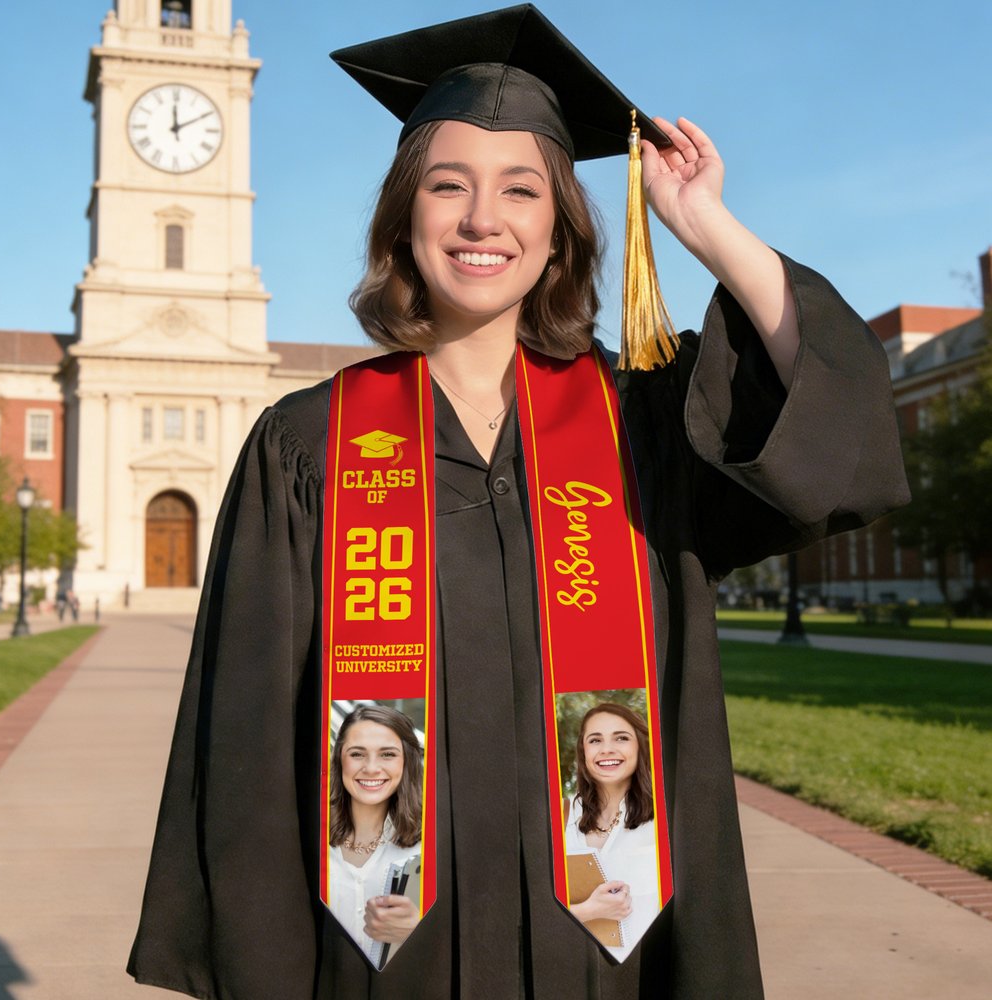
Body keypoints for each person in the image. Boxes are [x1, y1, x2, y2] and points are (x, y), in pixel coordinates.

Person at [127, 6, 909, 999]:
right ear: (404, 218)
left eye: (521, 189)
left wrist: (703, 225)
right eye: (447, 184)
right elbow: (247, 749)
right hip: (385, 958)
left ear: (559, 230)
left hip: (609, 956)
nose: (481, 218)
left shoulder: (643, 424)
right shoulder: (309, 445)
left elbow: (830, 422)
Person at [327, 704, 423, 966]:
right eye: (357, 754)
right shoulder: (308, 843)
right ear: (339, 759)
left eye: (387, 754)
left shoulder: (429, 849)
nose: (371, 768)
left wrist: (420, 931)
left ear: (407, 762)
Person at [565, 703, 658, 958]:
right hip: (575, 965)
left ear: (640, 746)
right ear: (583, 751)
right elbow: (536, 913)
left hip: (645, 967)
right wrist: (588, 911)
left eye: (621, 738)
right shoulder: (559, 818)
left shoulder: (666, 819)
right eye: (595, 740)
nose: (607, 749)